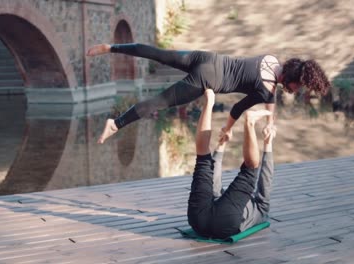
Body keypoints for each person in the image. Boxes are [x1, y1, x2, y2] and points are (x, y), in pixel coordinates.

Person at [86, 43, 329, 144]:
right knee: (159, 102)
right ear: (291, 79)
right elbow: (237, 109)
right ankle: (115, 124)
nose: (296, 90)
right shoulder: (266, 91)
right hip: (207, 79)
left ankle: (111, 48)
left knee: (157, 53)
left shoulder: (271, 59)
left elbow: (271, 105)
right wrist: (227, 130)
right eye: (299, 86)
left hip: (206, 58)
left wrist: (272, 120)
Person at [187, 89, 276, 239]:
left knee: (248, 170)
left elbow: (265, 179)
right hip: (198, 222)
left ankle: (210, 101)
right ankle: (213, 104)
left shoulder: (262, 207)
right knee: (203, 157)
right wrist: (268, 144)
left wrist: (222, 145)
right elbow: (265, 180)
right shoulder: (262, 210)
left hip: (211, 217)